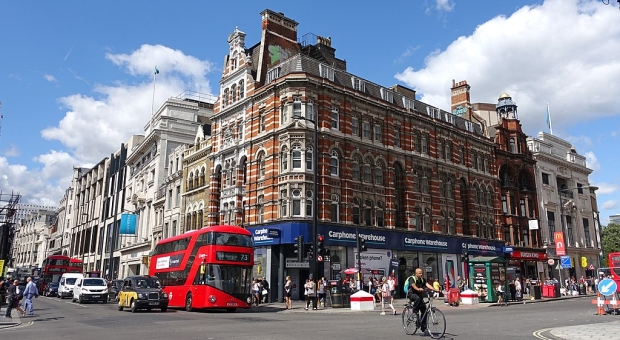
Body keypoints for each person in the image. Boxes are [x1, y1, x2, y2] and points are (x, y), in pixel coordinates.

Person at [407, 268, 439, 336]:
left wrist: (435, 289)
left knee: (424, 311)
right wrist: (418, 289)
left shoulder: (422, 279)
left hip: (419, 295)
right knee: (418, 298)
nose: (421, 274)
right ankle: (414, 311)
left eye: (421, 273)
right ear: (416, 273)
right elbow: (413, 285)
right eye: (419, 273)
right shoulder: (412, 278)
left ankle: (424, 328)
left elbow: (427, 285)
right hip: (411, 294)